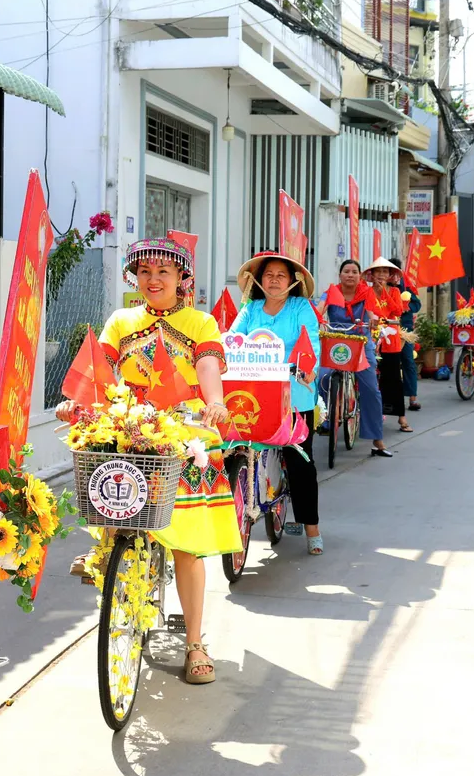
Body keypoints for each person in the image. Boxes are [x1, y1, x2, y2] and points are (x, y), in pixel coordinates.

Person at [57, 237, 238, 684]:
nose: (152, 280)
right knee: (104, 473)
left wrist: (214, 403)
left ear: (181, 279)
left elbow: (210, 368)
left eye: (163, 272)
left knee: (186, 547)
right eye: (144, 272)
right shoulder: (121, 320)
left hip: (182, 430)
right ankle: (107, 547)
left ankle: (194, 642)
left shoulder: (201, 322)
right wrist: (75, 404)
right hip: (130, 423)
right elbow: (99, 372)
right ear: (134, 279)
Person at [229, 250, 323, 555]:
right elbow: (232, 339)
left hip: (294, 395)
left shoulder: (301, 307)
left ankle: (312, 529)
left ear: (292, 281)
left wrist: (308, 368)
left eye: (280, 275)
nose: (273, 280)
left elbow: (312, 345)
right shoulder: (250, 309)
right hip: (253, 392)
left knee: (300, 463)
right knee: (231, 451)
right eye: (268, 274)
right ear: (258, 279)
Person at [318, 259, 391, 458]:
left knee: (370, 387)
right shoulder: (332, 291)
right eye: (346, 271)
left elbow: (371, 312)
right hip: (335, 339)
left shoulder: (366, 292)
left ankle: (377, 439)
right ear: (340, 275)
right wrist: (317, 317)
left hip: (360, 340)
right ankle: (325, 419)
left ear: (359, 276)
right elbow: (320, 308)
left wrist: (374, 320)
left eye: (354, 272)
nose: (350, 275)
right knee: (322, 377)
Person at [366, 258, 413, 434]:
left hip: (390, 339)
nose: (381, 275)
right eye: (378, 271)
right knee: (370, 377)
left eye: (385, 272)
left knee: (393, 377)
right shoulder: (367, 291)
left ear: (390, 275)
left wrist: (383, 293)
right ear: (372, 274)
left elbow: (397, 311)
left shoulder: (394, 291)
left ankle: (401, 416)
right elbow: (368, 310)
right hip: (372, 336)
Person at [390, 256, 422, 411]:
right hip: (386, 328)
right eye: (390, 273)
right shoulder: (381, 286)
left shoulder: (407, 286)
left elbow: (417, 304)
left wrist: (406, 305)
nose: (393, 277)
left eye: (396, 273)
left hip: (404, 329)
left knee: (408, 360)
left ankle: (412, 398)